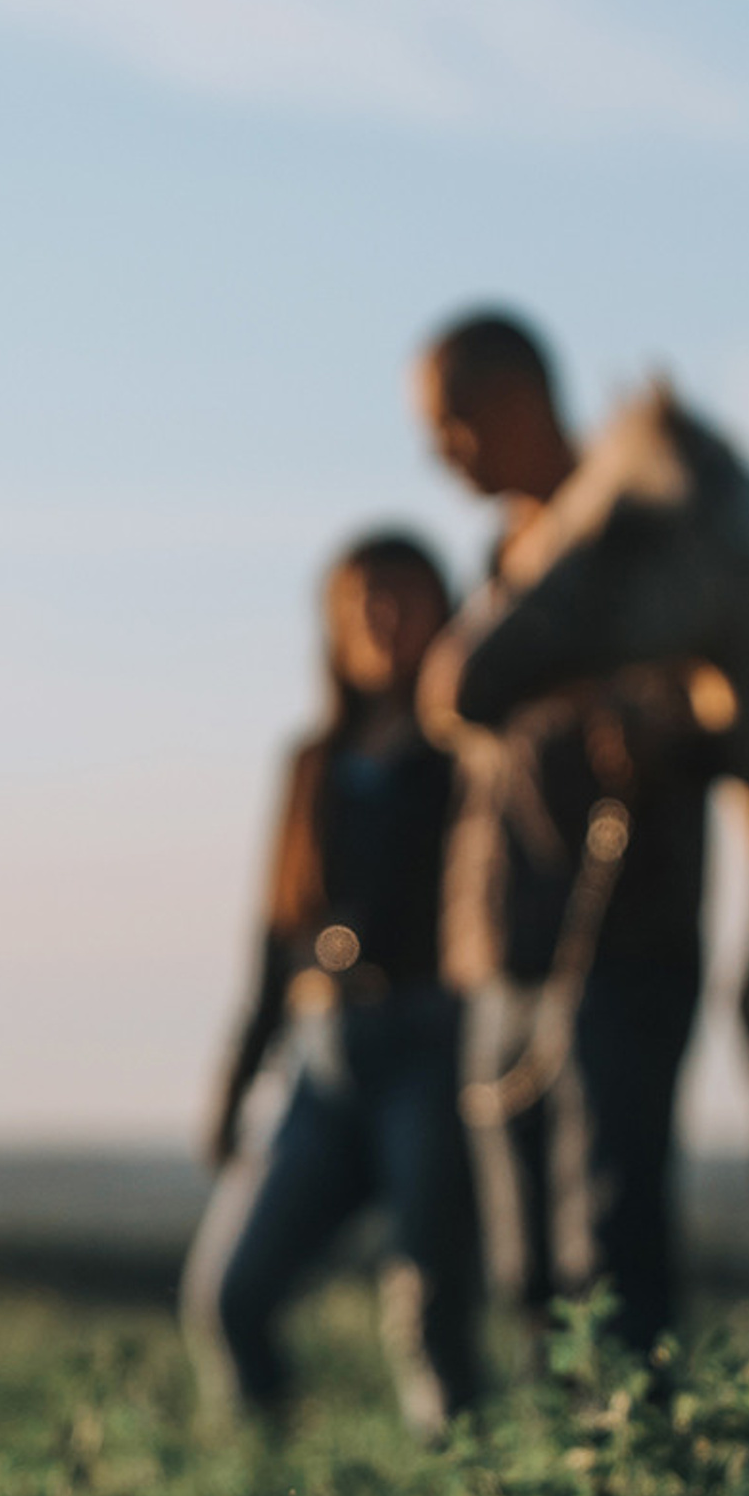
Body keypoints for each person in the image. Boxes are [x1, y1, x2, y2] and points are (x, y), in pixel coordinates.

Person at [414, 311, 717, 1358]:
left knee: (610, 1259)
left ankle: (637, 1494)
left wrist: (655, 723)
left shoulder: (628, 532)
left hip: (614, 948)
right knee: (529, 1275)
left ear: (517, 401)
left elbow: (709, 700)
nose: (439, 453)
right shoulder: (502, 550)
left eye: (452, 424)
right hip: (502, 952)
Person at [183, 529, 485, 1432]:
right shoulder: (312, 762)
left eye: (403, 600)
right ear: (333, 629)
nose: (383, 622)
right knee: (230, 1297)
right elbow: (277, 930)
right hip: (323, 1051)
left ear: (445, 616)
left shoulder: (468, 757)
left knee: (432, 1316)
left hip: (433, 1046)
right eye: (362, 605)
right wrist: (240, 1076)